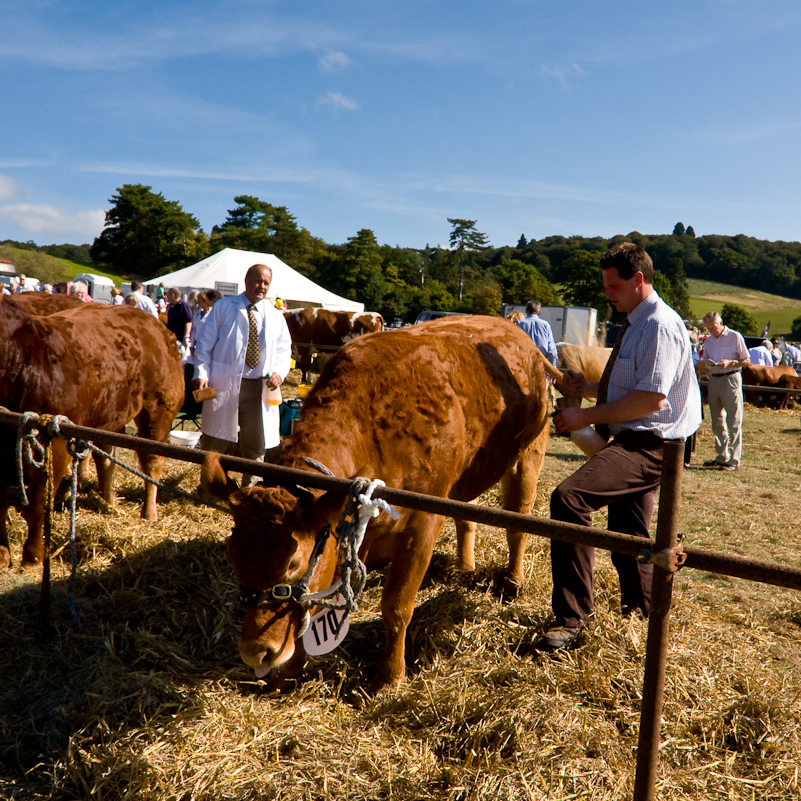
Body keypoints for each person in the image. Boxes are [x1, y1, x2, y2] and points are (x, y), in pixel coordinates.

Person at [535, 243, 701, 652]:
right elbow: (629, 386)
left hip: (655, 442)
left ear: (638, 280)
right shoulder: (636, 322)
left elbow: (651, 398)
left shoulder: (658, 325)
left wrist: (583, 417)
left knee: (568, 499)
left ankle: (572, 620)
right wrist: (586, 388)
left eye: (613, 285)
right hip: (643, 435)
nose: (607, 292)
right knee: (632, 535)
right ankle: (642, 615)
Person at [192, 265, 292, 487]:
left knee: (256, 444)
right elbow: (204, 344)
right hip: (223, 383)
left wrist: (279, 373)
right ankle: (208, 487)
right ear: (246, 281)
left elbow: (285, 351)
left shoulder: (276, 316)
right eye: (258, 281)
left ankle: (249, 492)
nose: (262, 287)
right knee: (214, 440)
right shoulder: (224, 307)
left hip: (258, 387)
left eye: (266, 283)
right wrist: (201, 371)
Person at [701, 311, 749, 471]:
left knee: (733, 420)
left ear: (721, 323)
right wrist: (703, 365)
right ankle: (722, 456)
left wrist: (730, 363)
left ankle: (734, 460)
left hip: (731, 378)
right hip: (714, 380)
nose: (712, 331)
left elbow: (746, 361)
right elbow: (706, 361)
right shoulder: (708, 341)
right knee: (717, 420)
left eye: (714, 327)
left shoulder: (735, 336)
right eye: (708, 329)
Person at [516, 300, 558, 366]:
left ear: (526, 310)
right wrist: (553, 366)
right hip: (541, 362)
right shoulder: (545, 325)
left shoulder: (520, 324)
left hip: (524, 363)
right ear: (539, 312)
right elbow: (551, 349)